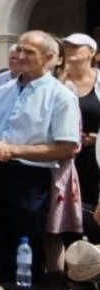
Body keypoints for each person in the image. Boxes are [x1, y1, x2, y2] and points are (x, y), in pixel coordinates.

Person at [0, 31, 79, 290]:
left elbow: (66, 145)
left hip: (31, 178)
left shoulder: (59, 96)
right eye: (19, 49)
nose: (20, 56)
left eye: (29, 52)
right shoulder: (3, 90)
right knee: (2, 243)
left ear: (49, 58)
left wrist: (13, 150)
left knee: (28, 247)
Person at [63, 34, 100, 242]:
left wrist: (98, 139)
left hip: (95, 160)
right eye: (67, 45)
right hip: (64, 158)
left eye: (77, 46)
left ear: (91, 52)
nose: (70, 48)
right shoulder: (57, 81)